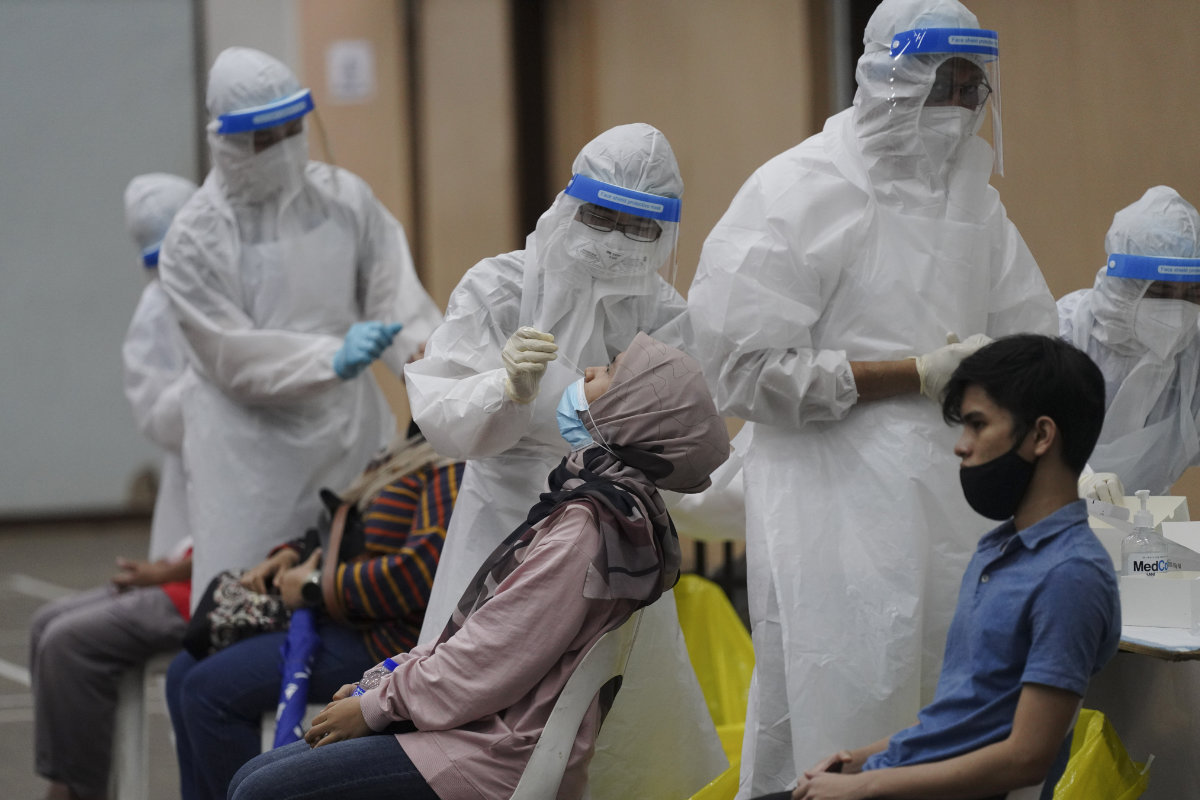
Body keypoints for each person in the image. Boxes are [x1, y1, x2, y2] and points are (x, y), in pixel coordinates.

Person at [686, 0, 1059, 794]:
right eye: (942, 81)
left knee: (954, 707)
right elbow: (741, 369)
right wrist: (913, 373)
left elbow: (1032, 337)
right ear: (890, 77)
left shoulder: (973, 201)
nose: (957, 107)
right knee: (843, 709)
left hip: (957, 508)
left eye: (971, 85)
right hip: (834, 512)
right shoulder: (800, 190)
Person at [227, 332, 730, 800]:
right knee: (252, 776)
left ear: (633, 411)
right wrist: (383, 677)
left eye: (609, 372)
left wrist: (377, 705)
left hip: (489, 752)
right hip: (480, 730)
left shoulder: (589, 525)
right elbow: (486, 636)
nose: (589, 369)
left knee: (258, 789)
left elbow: (492, 657)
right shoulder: (609, 510)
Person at [405, 123, 725, 796]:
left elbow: (678, 437)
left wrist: (561, 407)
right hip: (502, 529)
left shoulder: (665, 315)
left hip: (612, 538)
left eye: (638, 227)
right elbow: (440, 417)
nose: (614, 240)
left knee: (620, 736)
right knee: (476, 717)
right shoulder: (500, 288)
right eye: (601, 215)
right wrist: (502, 387)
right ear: (570, 201)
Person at [753, 334, 1121, 800]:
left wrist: (868, 785)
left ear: (1041, 435)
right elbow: (958, 721)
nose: (961, 447)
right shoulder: (1000, 551)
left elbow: (1027, 758)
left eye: (977, 425)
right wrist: (857, 761)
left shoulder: (1071, 574)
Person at [158, 47, 443, 607]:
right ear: (225, 141)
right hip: (247, 464)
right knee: (242, 612)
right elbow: (230, 356)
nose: (283, 149)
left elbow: (399, 304)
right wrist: (329, 358)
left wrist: (444, 375)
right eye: (264, 137)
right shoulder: (193, 239)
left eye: (293, 129)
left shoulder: (344, 200)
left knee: (339, 596)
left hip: (345, 437)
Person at [164, 424, 462, 800]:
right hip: (344, 619)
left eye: (420, 358)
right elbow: (343, 526)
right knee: (182, 671)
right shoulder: (409, 447)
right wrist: (292, 554)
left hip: (384, 641)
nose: (412, 363)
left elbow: (418, 573)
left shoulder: (453, 463)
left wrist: (316, 584)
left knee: (208, 692)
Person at [29, 173, 197, 800]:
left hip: (223, 579)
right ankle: (70, 785)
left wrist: (171, 574)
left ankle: (73, 794)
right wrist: (170, 566)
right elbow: (162, 414)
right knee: (49, 624)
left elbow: (261, 518)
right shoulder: (166, 312)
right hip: (191, 559)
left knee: (71, 643)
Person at [1059, 185, 1200, 497]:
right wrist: (1073, 477)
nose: (1178, 310)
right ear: (1124, 284)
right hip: (1041, 525)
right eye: (1162, 292)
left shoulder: (1193, 354)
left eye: (1192, 294)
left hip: (1141, 532)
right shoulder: (1062, 333)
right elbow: (1017, 431)